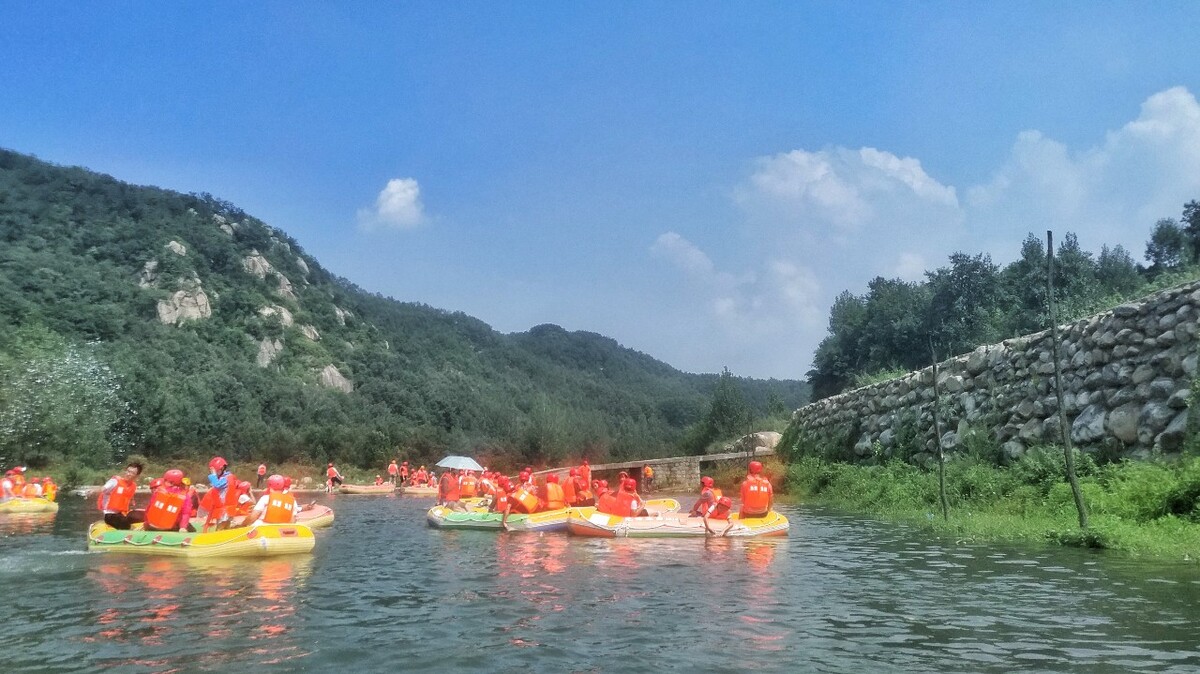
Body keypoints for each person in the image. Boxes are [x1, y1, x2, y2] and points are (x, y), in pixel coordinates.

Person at [97, 461, 145, 529]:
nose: (128, 474)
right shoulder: (115, 481)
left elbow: (127, 498)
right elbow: (102, 489)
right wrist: (90, 492)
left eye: (132, 473)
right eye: (128, 471)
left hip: (121, 514)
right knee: (125, 523)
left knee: (142, 517)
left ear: (136, 476)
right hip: (110, 515)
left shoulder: (133, 486)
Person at [200, 456, 240, 531]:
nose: (214, 473)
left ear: (221, 469)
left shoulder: (226, 478)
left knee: (220, 528)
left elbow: (217, 485)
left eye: (215, 471)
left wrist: (213, 475)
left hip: (225, 509)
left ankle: (218, 539)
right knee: (225, 527)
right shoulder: (226, 477)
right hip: (226, 508)